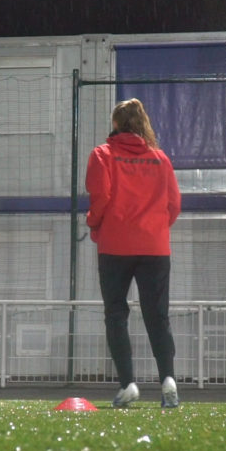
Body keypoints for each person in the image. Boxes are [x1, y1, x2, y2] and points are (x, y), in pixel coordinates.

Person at [85, 98, 182, 408]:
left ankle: (128, 384)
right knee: (158, 315)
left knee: (116, 313)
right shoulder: (161, 159)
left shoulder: (102, 155)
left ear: (115, 124)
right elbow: (174, 204)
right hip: (155, 246)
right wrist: (154, 227)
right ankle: (168, 379)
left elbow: (101, 197)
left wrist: (93, 223)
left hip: (115, 244)